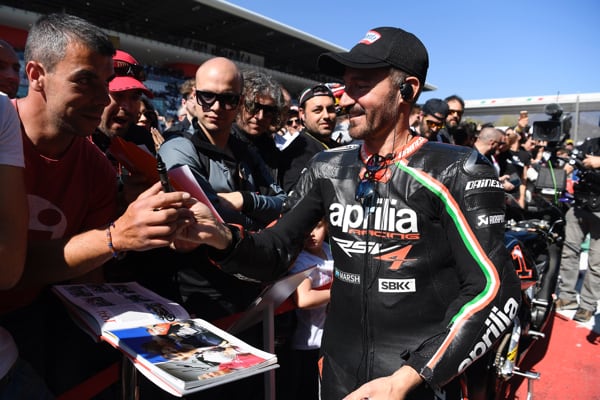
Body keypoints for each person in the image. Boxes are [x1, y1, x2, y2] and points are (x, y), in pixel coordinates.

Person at [176, 26, 521, 400]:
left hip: (415, 381)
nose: (345, 99)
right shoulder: (328, 167)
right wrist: (221, 237)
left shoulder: (456, 169)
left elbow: (495, 289)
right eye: (345, 84)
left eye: (362, 85)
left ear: (407, 89)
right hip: (338, 374)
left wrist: (410, 377)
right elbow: (275, 250)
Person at [0, 13, 194, 395]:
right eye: (85, 80)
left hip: (37, 323)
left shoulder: (97, 169)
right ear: (36, 75)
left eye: (105, 83)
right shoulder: (4, 133)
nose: (103, 99)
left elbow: (85, 281)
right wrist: (116, 236)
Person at [283, 218, 333, 400]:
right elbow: (303, 299)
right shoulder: (301, 260)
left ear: (326, 227)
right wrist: (340, 292)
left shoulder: (329, 250)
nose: (312, 233)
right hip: (309, 342)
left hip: (330, 337)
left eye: (317, 227)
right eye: (307, 227)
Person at [555, 137, 600, 323]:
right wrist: (557, 176)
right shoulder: (590, 144)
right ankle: (567, 297)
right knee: (569, 252)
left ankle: (588, 305)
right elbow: (571, 164)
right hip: (579, 205)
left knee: (596, 262)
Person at [279, 84, 339, 192]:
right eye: (317, 110)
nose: (326, 116)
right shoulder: (297, 151)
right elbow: (293, 194)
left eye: (330, 109)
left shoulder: (341, 147)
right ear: (302, 114)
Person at [233, 69, 285, 180]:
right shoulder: (224, 142)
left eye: (268, 110)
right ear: (239, 104)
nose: (260, 116)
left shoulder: (271, 150)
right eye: (253, 107)